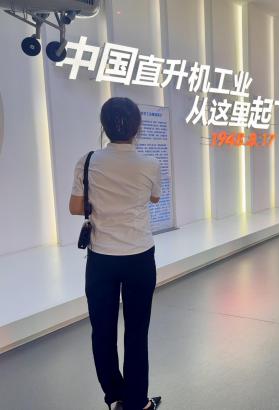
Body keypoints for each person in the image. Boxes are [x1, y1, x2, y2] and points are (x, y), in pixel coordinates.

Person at [70, 97, 163, 410]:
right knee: (136, 331)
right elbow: (153, 198)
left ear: (104, 126)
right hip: (139, 256)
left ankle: (115, 397)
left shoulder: (87, 161)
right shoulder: (149, 164)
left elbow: (75, 207)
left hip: (101, 259)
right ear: (137, 127)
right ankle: (137, 403)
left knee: (103, 331)